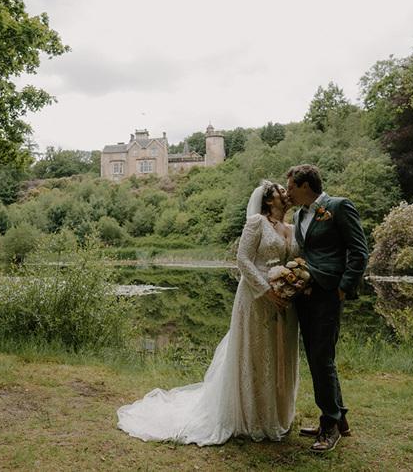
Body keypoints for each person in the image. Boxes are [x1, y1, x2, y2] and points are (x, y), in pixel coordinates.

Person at [117, 180, 301, 446]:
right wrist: (266, 290)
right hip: (256, 297)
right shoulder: (256, 223)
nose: (286, 193)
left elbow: (294, 263)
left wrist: (292, 284)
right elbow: (242, 260)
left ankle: (275, 415)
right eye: (280, 191)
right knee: (256, 354)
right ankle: (250, 418)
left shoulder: (293, 228)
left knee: (278, 355)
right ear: (269, 200)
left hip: (285, 303)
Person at [285, 164, 368, 453]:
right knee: (316, 357)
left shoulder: (339, 206)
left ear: (306, 185)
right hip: (304, 295)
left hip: (329, 293)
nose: (288, 192)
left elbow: (359, 251)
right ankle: (339, 418)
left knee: (322, 357)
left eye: (291, 187)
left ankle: (329, 426)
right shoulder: (297, 215)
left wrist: (343, 288)